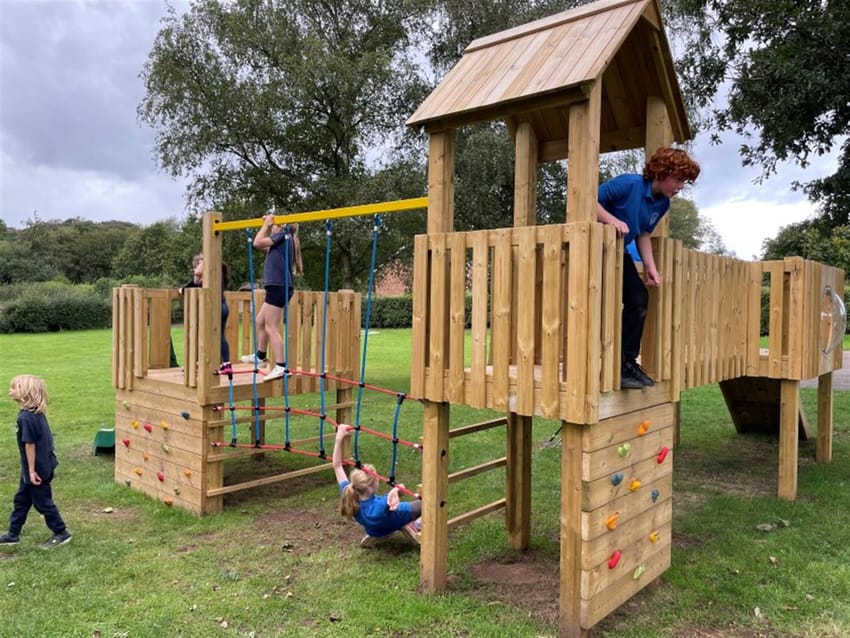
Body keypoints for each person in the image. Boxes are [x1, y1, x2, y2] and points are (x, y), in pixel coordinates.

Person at [597, 146, 700, 389]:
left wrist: (651, 267)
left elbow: (643, 234)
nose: (680, 186)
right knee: (605, 305)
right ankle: (615, 363)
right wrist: (612, 221)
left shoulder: (662, 204)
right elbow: (586, 200)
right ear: (662, 172)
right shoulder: (629, 184)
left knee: (639, 298)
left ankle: (625, 364)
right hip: (592, 250)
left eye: (684, 181)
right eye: (678, 179)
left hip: (617, 254)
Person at [0, 375, 72, 549]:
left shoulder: (25, 418)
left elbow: (30, 445)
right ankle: (13, 534)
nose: (10, 390)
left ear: (26, 393)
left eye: (14, 387)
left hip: (37, 469)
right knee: (22, 500)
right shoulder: (35, 414)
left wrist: (31, 471)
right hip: (38, 466)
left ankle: (61, 533)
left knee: (42, 502)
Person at [333, 424, 421, 547]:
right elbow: (402, 488)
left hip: (374, 531)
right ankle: (415, 524)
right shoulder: (382, 505)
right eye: (377, 479)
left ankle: (408, 524)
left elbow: (337, 466)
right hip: (399, 519)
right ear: (370, 487)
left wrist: (339, 438)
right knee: (425, 502)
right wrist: (397, 490)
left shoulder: (350, 494)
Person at [240, 216, 303, 382]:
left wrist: (266, 225)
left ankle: (281, 366)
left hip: (278, 286)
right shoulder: (283, 241)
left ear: (280, 226)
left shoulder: (282, 236)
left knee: (271, 327)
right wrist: (268, 227)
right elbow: (263, 246)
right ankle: (260, 356)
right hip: (278, 286)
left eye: (275, 225)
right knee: (260, 321)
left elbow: (257, 242)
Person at [179, 253, 232, 375]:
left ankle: (198, 363)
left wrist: (203, 260)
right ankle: (226, 364)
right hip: (223, 306)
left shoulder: (208, 272)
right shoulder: (219, 272)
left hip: (214, 308)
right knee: (220, 336)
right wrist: (184, 288)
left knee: (203, 336)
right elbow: (195, 282)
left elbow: (197, 276)